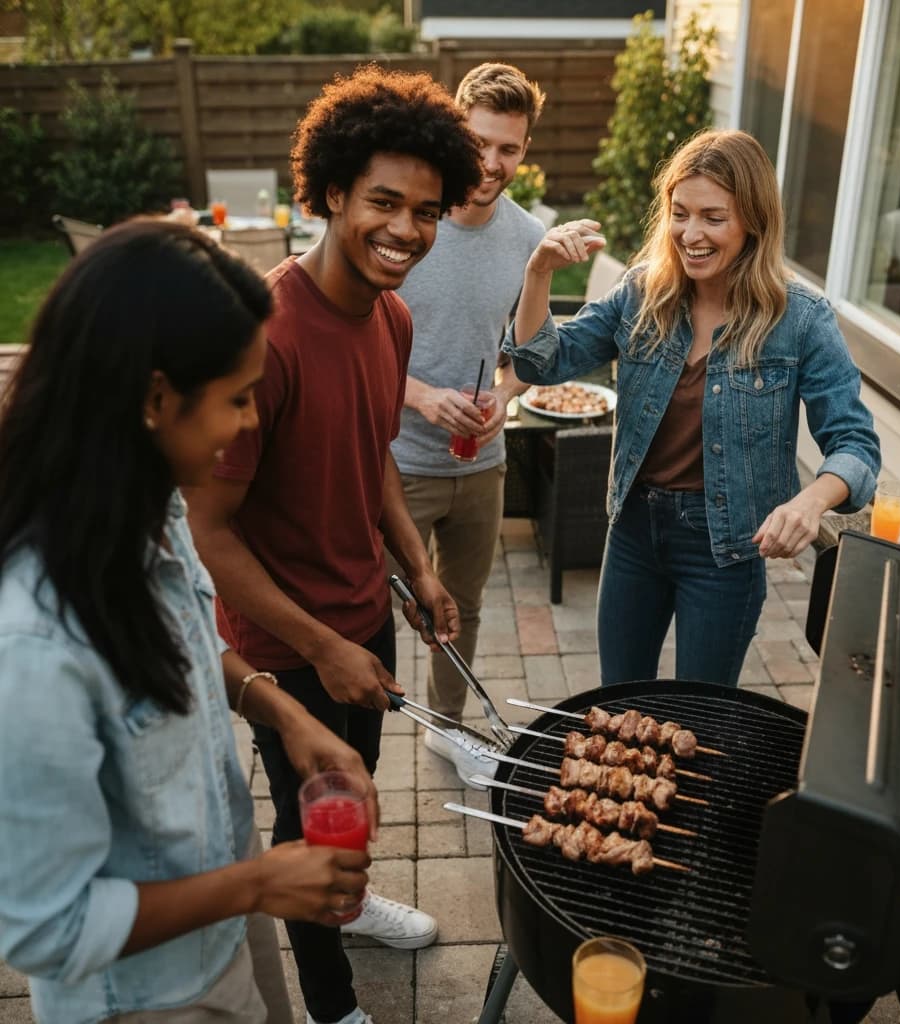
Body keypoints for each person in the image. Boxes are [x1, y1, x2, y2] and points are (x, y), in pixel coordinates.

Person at [0, 219, 376, 1024]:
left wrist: (282, 708)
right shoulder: (31, 648)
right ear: (155, 398)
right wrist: (260, 882)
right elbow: (43, 927)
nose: (250, 423)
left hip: (226, 913)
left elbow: (186, 644)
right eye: (237, 399)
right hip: (145, 996)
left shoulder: (147, 499)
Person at [184, 67, 483, 1024]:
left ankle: (346, 907)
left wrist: (418, 568)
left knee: (353, 790)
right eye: (384, 203)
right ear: (332, 195)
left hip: (363, 620)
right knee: (310, 812)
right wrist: (319, 645)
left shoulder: (391, 318)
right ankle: (329, 1003)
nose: (406, 230)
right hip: (287, 644)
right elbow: (209, 532)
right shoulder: (262, 336)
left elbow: (374, 458)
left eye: (427, 211)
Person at [503, 129, 881, 687]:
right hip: (633, 531)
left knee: (700, 715)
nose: (691, 234)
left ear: (752, 220)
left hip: (724, 549)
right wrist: (538, 271)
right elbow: (540, 363)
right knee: (619, 703)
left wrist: (810, 502)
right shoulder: (641, 294)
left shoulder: (800, 318)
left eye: (713, 217)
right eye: (680, 214)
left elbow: (856, 445)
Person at [393, 62, 546, 786]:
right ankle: (363, 723)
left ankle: (446, 730)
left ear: (524, 150)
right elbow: (353, 337)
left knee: (466, 605)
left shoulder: (527, 238)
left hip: (480, 463)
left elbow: (527, 353)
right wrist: (421, 395)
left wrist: (506, 396)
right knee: (376, 603)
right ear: (457, 130)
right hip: (395, 458)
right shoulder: (408, 220)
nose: (491, 164)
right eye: (480, 142)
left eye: (508, 148)